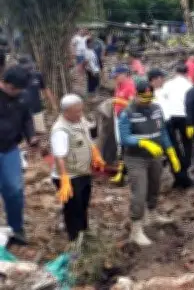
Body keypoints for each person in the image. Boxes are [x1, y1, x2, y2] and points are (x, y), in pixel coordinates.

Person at [118, 81, 180, 246]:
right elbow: (125, 138)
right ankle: (136, 228)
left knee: (154, 186)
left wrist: (171, 152)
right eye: (143, 98)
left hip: (155, 156)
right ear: (136, 95)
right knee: (139, 192)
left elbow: (163, 132)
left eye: (150, 98)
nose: (147, 101)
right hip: (136, 158)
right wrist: (143, 143)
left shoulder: (156, 109)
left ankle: (151, 214)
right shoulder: (127, 113)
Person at [51, 94, 105, 245]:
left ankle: (84, 234)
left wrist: (95, 154)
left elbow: (87, 139)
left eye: (81, 111)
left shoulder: (80, 120)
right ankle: (74, 241)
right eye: (76, 112)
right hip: (69, 176)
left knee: (83, 206)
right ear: (66, 112)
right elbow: (59, 156)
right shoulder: (60, 130)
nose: (80, 114)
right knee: (73, 210)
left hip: (83, 173)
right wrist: (64, 178)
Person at [0, 66, 36, 245]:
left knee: (14, 189)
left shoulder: (23, 98)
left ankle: (16, 228)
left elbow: (27, 118)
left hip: (9, 149)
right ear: (5, 84)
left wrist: (31, 136)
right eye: (15, 89)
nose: (17, 93)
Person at [161, 64, 194, 188]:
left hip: (170, 116)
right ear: (187, 73)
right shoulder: (190, 85)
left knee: (173, 143)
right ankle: (185, 166)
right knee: (187, 142)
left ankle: (178, 168)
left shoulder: (168, 84)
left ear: (176, 72)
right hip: (185, 116)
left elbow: (163, 97)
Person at [18, 56, 57, 137]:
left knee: (41, 134)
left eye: (29, 65)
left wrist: (53, 104)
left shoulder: (37, 75)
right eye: (25, 66)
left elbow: (46, 89)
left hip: (37, 110)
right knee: (29, 138)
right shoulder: (17, 77)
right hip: (23, 112)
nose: (28, 68)